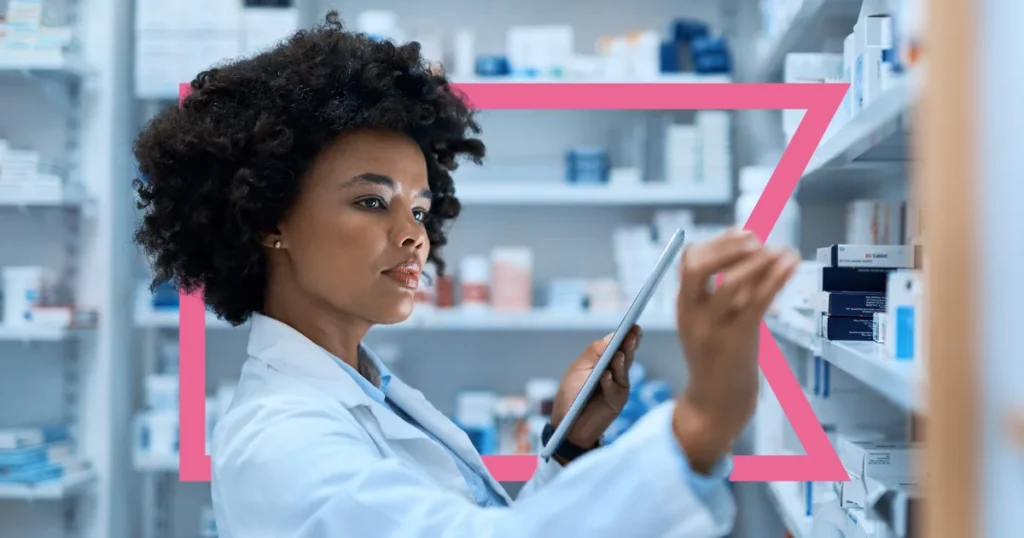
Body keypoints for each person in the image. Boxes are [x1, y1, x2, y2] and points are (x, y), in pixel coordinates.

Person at [132, 12, 799, 538]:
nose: (413, 235)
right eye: (371, 201)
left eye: (420, 209)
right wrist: (703, 421)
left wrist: (569, 446)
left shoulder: (365, 386)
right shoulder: (281, 444)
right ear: (267, 217)